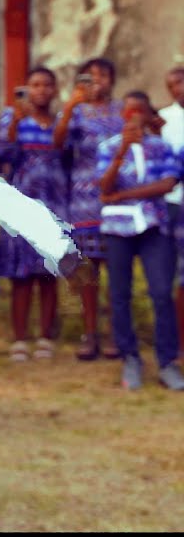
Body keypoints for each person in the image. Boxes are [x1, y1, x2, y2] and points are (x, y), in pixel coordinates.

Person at [96, 93, 183, 390]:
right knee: (120, 293)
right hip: (117, 228)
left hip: (154, 225)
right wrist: (122, 151)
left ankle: (167, 362)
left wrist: (121, 196)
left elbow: (167, 183)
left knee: (161, 292)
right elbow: (103, 185)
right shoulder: (108, 147)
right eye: (128, 110)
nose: (133, 116)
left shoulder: (162, 147)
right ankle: (130, 357)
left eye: (139, 111)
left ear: (148, 115)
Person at [54, 58, 124, 360]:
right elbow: (57, 145)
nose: (97, 81)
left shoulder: (123, 110)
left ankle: (116, 335)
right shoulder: (74, 111)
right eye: (91, 76)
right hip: (83, 201)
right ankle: (91, 333)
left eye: (103, 75)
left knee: (118, 270)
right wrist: (70, 107)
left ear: (112, 80)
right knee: (88, 271)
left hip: (118, 197)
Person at [0, 67, 67, 361]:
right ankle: (20, 338)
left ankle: (46, 337)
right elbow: (3, 157)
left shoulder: (61, 122)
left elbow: (68, 154)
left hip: (55, 203)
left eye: (46, 85)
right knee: (21, 275)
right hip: (22, 203)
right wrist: (13, 123)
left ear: (54, 90)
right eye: (34, 85)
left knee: (49, 272)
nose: (40, 90)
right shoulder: (12, 119)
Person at [158, 68, 184, 354]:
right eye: (172, 85)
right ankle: (176, 343)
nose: (177, 88)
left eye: (180, 81)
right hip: (172, 202)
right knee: (174, 275)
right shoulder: (164, 118)